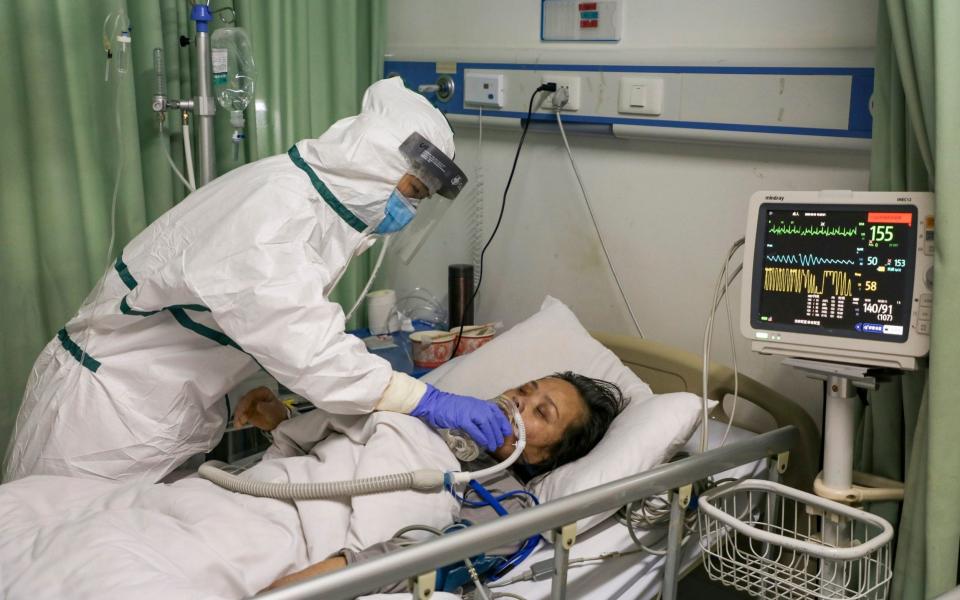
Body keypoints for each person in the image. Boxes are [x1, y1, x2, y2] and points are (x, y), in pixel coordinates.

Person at [3, 77, 510, 484]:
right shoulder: (275, 209)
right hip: (101, 423)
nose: (409, 208)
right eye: (412, 189)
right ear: (371, 160)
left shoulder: (306, 209)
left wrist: (258, 393)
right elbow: (302, 340)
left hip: (148, 415)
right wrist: (426, 400)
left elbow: (238, 317)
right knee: (48, 565)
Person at [238, 371, 625, 594]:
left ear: (547, 456)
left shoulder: (506, 501)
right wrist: (282, 422)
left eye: (542, 411)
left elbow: (406, 560)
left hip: (297, 554)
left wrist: (285, 592)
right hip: (248, 501)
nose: (519, 401)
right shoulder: (431, 412)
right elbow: (330, 455)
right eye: (524, 390)